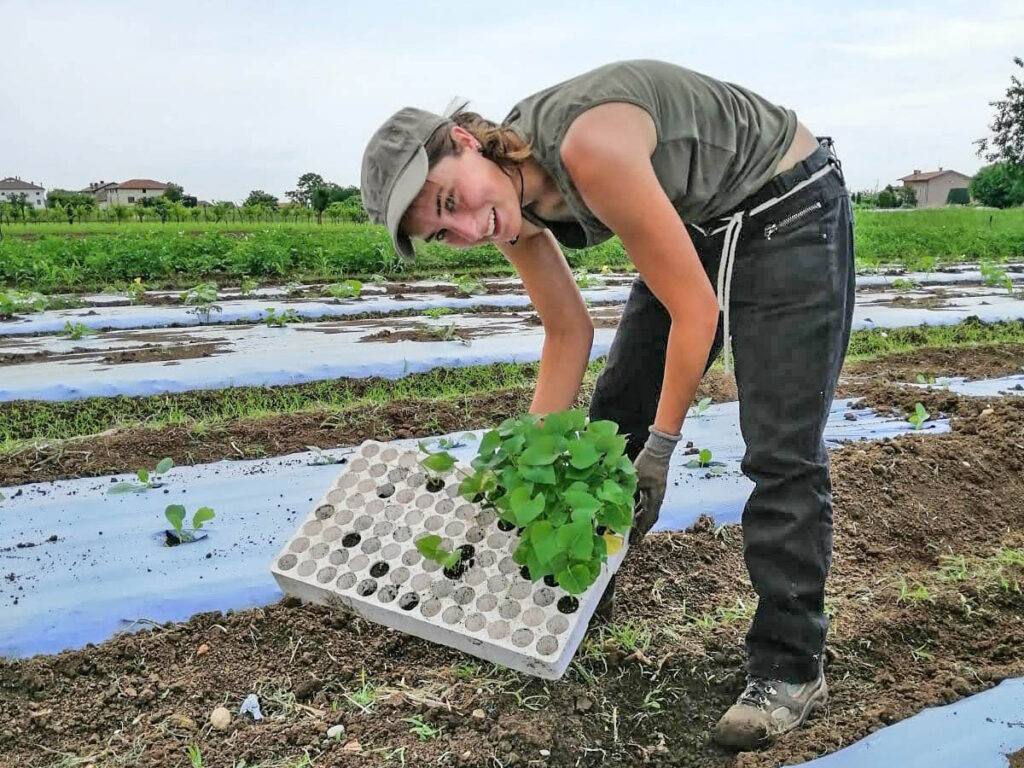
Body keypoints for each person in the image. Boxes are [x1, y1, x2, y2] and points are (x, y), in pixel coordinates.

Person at [360, 59, 854, 749]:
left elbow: (696, 312)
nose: (469, 228)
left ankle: (790, 667)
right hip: (702, 220)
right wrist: (528, 460)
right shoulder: (510, 205)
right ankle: (574, 607)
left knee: (780, 446)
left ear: (467, 143)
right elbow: (567, 331)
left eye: (450, 202)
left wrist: (662, 447)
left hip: (788, 205)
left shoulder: (585, 149)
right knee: (610, 424)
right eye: (444, 233)